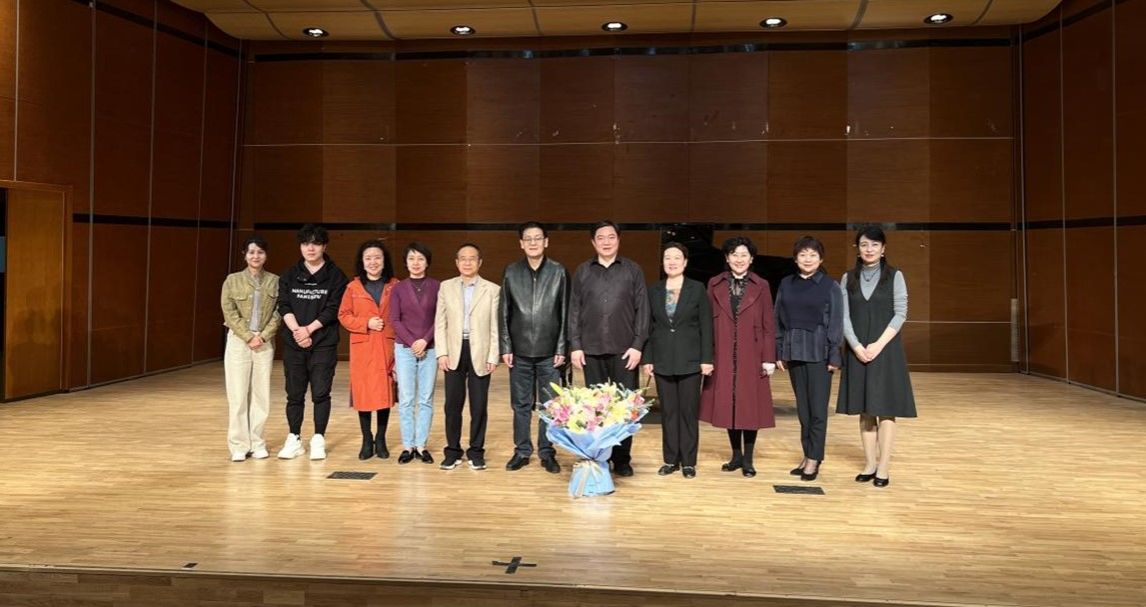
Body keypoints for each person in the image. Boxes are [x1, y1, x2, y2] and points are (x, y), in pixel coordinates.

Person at [836, 226, 917, 488]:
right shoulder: (848, 278)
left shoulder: (895, 276)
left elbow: (900, 313)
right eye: (864, 245)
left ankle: (884, 466)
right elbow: (843, 316)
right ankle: (870, 463)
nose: (869, 249)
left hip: (886, 350)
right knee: (865, 409)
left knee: (886, 410)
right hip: (857, 350)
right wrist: (856, 346)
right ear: (857, 249)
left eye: (874, 245)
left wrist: (878, 345)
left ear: (883, 249)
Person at [568, 220, 649, 477]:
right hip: (591, 350)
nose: (606, 241)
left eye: (611, 237)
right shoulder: (583, 271)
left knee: (625, 407)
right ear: (593, 242)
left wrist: (638, 345)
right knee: (596, 409)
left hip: (625, 351)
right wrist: (575, 345)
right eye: (600, 237)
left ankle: (622, 459)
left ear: (618, 239)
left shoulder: (633, 270)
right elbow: (574, 310)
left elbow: (643, 310)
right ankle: (600, 456)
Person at [700, 236, 776, 478]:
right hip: (722, 352)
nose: (739, 259)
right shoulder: (714, 283)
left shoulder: (761, 285)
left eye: (744, 255)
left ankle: (748, 459)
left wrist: (769, 357)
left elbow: (768, 324)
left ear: (751, 259)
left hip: (752, 353)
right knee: (729, 403)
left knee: (749, 405)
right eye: (734, 255)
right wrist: (707, 356)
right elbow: (706, 323)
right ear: (727, 258)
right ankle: (735, 455)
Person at [499, 222, 567, 474]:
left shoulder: (558, 271)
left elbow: (565, 311)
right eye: (528, 238)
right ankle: (522, 451)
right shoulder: (511, 271)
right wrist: (506, 345)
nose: (533, 243)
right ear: (521, 243)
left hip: (550, 353)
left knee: (550, 405)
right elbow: (504, 311)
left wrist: (562, 346)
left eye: (538, 238)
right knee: (520, 404)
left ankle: (547, 452)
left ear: (546, 241)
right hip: (519, 351)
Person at [276, 224, 349, 460]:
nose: (311, 248)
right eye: (306, 243)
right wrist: (298, 331)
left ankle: (318, 438)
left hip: (323, 343)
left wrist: (309, 329)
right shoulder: (289, 275)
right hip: (294, 343)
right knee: (294, 394)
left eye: (316, 243)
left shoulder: (336, 276)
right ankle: (294, 438)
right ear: (300, 246)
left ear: (324, 246)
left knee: (320, 393)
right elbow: (283, 305)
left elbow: (333, 308)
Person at [774, 236, 844, 481]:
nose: (807, 259)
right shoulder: (786, 283)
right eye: (803, 254)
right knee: (803, 410)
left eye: (813, 255)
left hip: (819, 353)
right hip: (794, 351)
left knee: (817, 411)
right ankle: (807, 454)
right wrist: (779, 350)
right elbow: (777, 318)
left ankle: (814, 458)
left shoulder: (830, 286)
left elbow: (836, 322)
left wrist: (834, 354)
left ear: (821, 259)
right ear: (795, 259)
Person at [641, 242, 712, 479]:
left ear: (685, 262)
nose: (672, 262)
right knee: (669, 413)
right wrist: (648, 358)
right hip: (662, 359)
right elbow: (649, 327)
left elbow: (706, 326)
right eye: (667, 258)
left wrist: (707, 359)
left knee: (688, 413)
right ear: (663, 262)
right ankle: (670, 459)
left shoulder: (697, 288)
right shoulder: (654, 290)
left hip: (690, 360)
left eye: (677, 257)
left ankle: (689, 462)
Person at [435, 243, 500, 471]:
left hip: (480, 350)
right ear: (457, 262)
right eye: (463, 258)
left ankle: (476, 451)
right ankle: (452, 451)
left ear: (479, 262)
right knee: (452, 405)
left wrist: (493, 355)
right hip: (454, 350)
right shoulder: (446, 287)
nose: (467, 262)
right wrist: (442, 352)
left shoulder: (493, 290)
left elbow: (495, 326)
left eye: (472, 258)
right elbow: (440, 323)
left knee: (479, 405)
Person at [338, 239, 399, 461]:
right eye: (368, 258)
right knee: (363, 394)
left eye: (377, 257)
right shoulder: (352, 288)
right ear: (362, 262)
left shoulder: (395, 285)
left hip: (386, 345)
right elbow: (343, 315)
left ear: (384, 261)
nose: (373, 262)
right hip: (363, 348)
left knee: (384, 393)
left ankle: (381, 439)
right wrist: (366, 323)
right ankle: (366, 439)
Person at [221, 236, 280, 462]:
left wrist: (263, 336)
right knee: (237, 394)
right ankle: (238, 444)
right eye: (252, 252)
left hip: (264, 342)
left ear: (266, 255)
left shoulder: (275, 281)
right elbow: (229, 311)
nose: (256, 256)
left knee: (261, 394)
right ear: (244, 255)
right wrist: (247, 336)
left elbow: (278, 313)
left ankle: (257, 442)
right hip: (239, 341)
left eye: (260, 252)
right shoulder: (232, 280)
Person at [390, 243, 440, 465]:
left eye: (420, 258)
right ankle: (407, 446)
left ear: (427, 262)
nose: (416, 263)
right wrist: (413, 343)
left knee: (426, 398)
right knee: (407, 399)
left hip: (430, 347)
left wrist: (424, 340)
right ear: (406, 262)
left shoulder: (437, 286)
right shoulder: (398, 288)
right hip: (404, 349)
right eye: (411, 258)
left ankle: (421, 445)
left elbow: (440, 318)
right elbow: (395, 320)